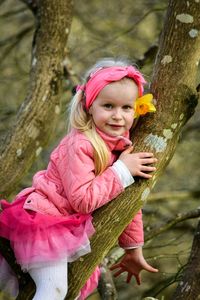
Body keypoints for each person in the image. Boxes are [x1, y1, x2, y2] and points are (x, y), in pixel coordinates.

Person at [0, 58, 158, 300]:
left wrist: (133, 248)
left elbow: (128, 199)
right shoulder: (81, 143)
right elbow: (82, 200)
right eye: (108, 106)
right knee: (55, 290)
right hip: (44, 222)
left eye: (126, 108)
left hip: (67, 229)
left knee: (69, 292)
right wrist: (122, 171)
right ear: (89, 106)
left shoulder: (120, 147)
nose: (118, 116)